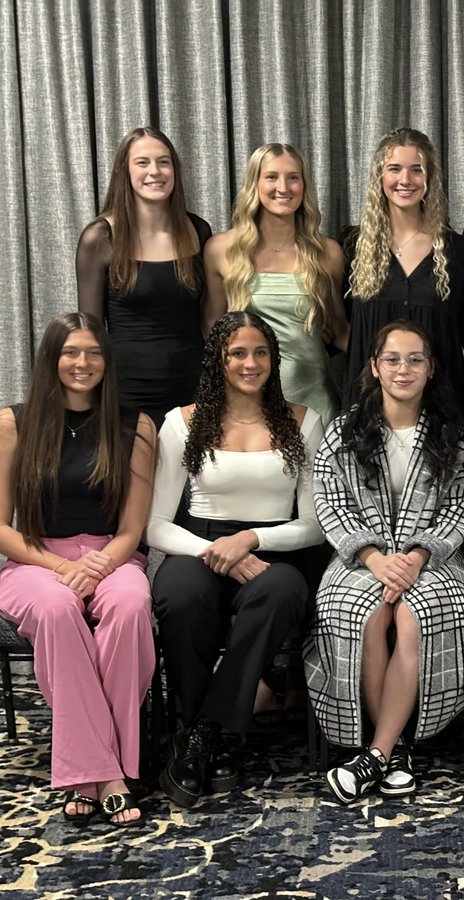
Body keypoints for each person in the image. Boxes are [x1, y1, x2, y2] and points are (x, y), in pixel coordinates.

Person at [149, 311, 324, 808]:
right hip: (196, 545)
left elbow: (314, 523)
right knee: (180, 596)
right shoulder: (180, 423)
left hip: (272, 545)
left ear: (274, 358)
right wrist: (214, 549)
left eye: (261, 352)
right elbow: (155, 524)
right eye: (238, 353)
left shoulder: (303, 420)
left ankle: (204, 732)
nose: (251, 363)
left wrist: (251, 540)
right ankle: (208, 731)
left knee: (283, 592)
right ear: (219, 361)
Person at [306, 320, 464, 803]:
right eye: (393, 359)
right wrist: (372, 557)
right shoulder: (343, 433)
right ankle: (394, 751)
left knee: (415, 614)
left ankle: (376, 753)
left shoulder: (453, 437)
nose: (404, 369)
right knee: (363, 612)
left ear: (431, 369)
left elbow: (461, 508)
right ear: (375, 367)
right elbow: (330, 504)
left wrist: (418, 556)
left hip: (434, 560)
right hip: (359, 559)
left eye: (415, 359)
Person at [0, 312, 156, 825]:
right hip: (34, 557)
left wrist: (97, 566)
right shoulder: (12, 424)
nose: (82, 363)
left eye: (93, 352)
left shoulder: (136, 426)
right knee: (56, 606)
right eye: (71, 352)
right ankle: (107, 773)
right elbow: (1, 527)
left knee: (133, 604)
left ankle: (88, 770)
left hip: (113, 555)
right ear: (52, 359)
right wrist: (61, 567)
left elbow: (134, 529)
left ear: (106, 361)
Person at [202, 142, 347, 426]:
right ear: (254, 184)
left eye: (293, 177)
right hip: (247, 398)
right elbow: (211, 328)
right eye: (271, 177)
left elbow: (339, 330)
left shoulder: (328, 253)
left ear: (304, 186)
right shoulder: (220, 249)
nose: (284, 187)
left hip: (315, 398)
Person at [76, 126, 212, 425]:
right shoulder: (100, 237)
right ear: (124, 171)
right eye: (142, 162)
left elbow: (208, 319)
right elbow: (91, 329)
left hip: (193, 386)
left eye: (164, 162)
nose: (155, 171)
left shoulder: (198, 230)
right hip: (127, 390)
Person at [342, 128, 464, 411]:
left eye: (416, 170)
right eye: (394, 169)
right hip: (367, 411)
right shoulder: (352, 248)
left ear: (429, 178)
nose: (405, 180)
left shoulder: (457, 252)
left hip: (439, 413)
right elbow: (338, 329)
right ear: (380, 177)